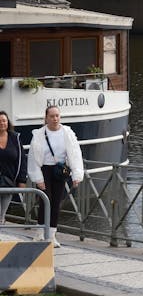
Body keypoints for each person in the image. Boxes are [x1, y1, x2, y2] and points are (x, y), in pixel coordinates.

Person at [27, 105, 83, 246]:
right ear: (46, 118)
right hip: (44, 169)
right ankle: (40, 232)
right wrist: (38, 178)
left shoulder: (67, 133)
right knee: (45, 200)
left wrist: (77, 175)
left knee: (56, 202)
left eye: (57, 115)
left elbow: (75, 154)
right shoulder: (39, 134)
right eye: (52, 116)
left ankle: (52, 235)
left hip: (60, 170)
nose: (55, 119)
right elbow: (33, 158)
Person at [0, 110, 26, 224]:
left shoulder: (15, 138)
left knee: (2, 214)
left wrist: (21, 180)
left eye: (4, 120)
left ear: (8, 122)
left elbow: (22, 160)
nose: (2, 123)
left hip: (9, 181)